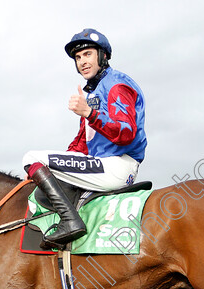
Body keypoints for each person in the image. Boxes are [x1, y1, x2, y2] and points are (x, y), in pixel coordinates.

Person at [23, 28, 147, 247]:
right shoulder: (92, 93)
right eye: (78, 57)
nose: (82, 61)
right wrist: (41, 172)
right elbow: (81, 145)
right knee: (37, 164)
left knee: (31, 156)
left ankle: (71, 222)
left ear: (103, 56)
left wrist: (89, 113)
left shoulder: (117, 85)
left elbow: (127, 133)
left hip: (117, 166)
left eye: (88, 54)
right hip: (101, 165)